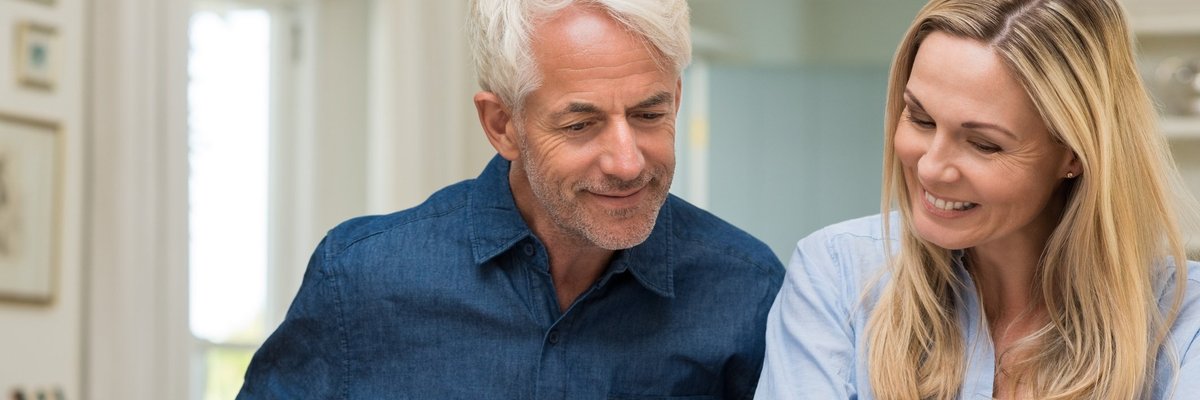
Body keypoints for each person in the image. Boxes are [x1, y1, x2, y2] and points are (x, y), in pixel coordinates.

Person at [237, 0, 784, 398]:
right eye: (580, 123)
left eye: (648, 115)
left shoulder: (747, 290)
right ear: (502, 125)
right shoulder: (359, 278)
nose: (628, 162)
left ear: (677, 100)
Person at [755, 0, 1200, 398]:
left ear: (1075, 155)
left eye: (984, 144)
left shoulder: (1183, 321)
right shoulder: (838, 275)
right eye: (921, 118)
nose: (931, 168)